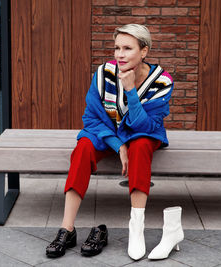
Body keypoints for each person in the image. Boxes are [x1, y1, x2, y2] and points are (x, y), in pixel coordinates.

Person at [46, 24, 174, 260]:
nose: (119, 54)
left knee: (141, 145)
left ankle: (137, 229)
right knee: (83, 147)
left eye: (127, 48)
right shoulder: (104, 73)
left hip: (142, 134)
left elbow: (143, 126)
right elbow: (91, 118)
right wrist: (118, 145)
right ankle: (67, 228)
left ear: (144, 51)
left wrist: (131, 90)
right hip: (107, 132)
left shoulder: (162, 81)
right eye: (116, 48)